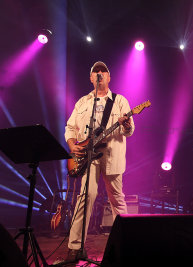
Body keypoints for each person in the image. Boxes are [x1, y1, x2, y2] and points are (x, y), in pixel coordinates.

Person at [64, 61, 134, 261]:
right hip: (88, 156)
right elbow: (70, 127)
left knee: (117, 200)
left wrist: (127, 124)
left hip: (112, 155)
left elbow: (129, 131)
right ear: (91, 78)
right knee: (85, 197)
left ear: (109, 77)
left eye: (103, 71)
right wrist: (72, 143)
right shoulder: (83, 102)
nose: (99, 74)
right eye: (96, 72)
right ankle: (75, 248)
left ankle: (127, 245)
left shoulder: (120, 101)